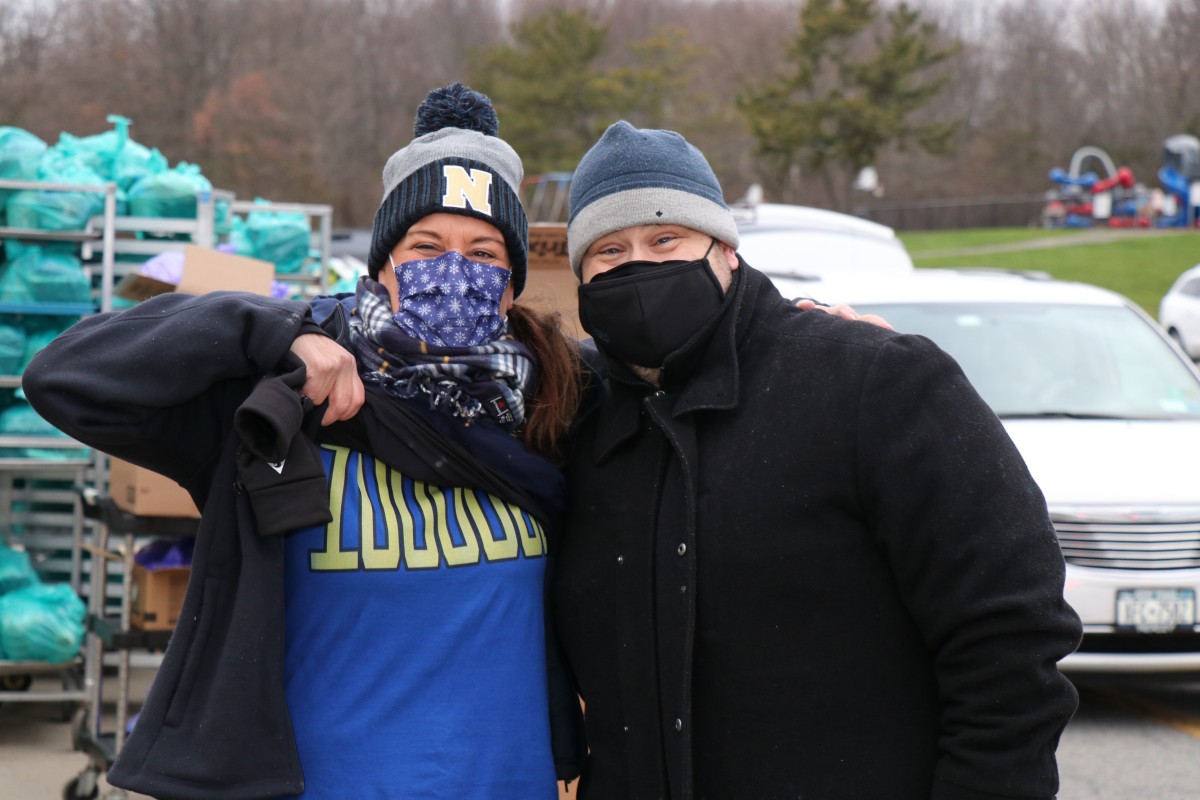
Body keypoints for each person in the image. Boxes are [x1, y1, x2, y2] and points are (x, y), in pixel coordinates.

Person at [23, 84, 586, 799]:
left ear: (509, 287)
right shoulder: (286, 402)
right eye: (426, 245)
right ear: (382, 264)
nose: (456, 269)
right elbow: (61, 377)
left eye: (483, 251)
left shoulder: (547, 407)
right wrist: (273, 329)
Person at [550, 121, 1084, 800]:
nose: (639, 267)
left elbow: (1012, 635)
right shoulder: (579, 424)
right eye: (608, 252)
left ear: (725, 253)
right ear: (580, 279)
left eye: (665, 239)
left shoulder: (871, 383)